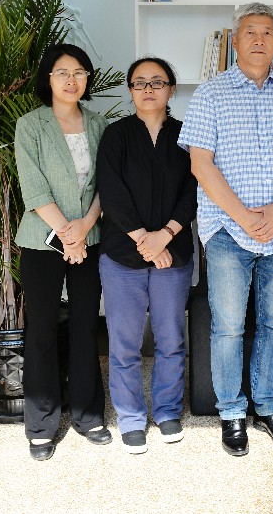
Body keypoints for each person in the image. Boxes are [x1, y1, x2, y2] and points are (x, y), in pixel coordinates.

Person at [179, 2, 273, 457]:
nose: (259, 39)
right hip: (226, 231)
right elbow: (200, 164)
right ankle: (232, 412)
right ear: (235, 42)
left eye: (267, 32)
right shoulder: (210, 94)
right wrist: (244, 217)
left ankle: (268, 406)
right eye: (250, 31)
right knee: (229, 327)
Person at [96, 57, 197, 454]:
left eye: (157, 81)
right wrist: (145, 240)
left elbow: (194, 190)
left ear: (172, 89)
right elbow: (110, 191)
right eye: (140, 82)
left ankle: (168, 411)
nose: (148, 89)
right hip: (123, 254)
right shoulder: (116, 135)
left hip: (174, 252)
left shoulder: (188, 134)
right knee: (124, 343)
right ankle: (131, 416)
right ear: (131, 90)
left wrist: (165, 235)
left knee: (171, 338)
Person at [15, 44, 111, 461]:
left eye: (79, 72)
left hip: (90, 236)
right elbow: (33, 187)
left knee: (86, 326)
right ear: (48, 78)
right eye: (62, 72)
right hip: (42, 239)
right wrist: (67, 236)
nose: (72, 80)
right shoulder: (30, 125)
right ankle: (40, 425)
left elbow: (107, 184)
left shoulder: (100, 125)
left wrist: (84, 228)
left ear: (87, 79)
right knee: (41, 330)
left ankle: (88, 416)